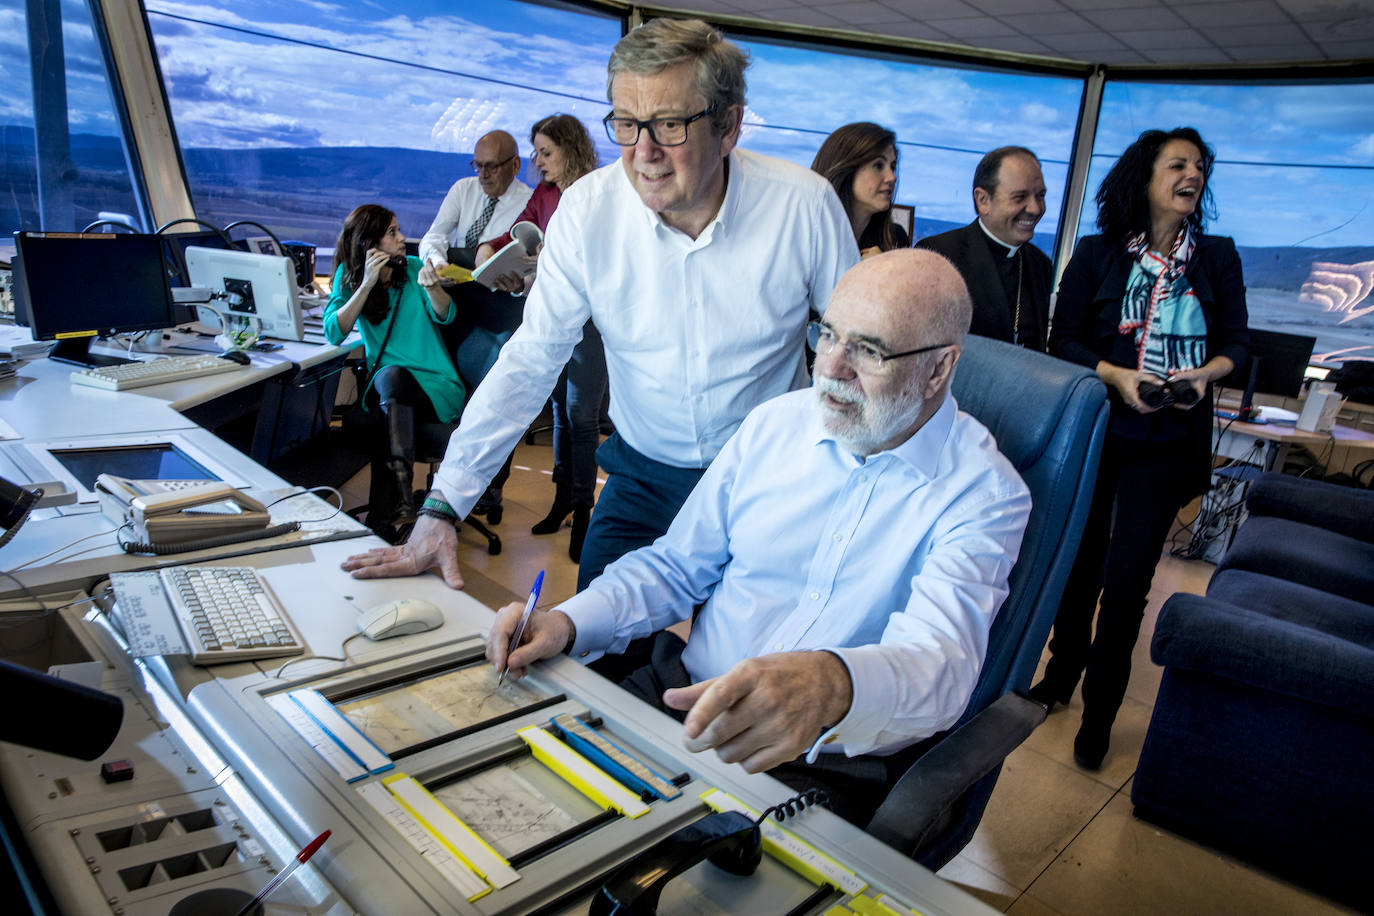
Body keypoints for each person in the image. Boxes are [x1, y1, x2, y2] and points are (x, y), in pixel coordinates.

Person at [487, 249, 1031, 826]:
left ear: (939, 369)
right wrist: (567, 622)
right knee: (521, 804)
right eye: (828, 335)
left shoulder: (983, 494)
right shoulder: (777, 423)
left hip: (813, 761)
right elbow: (675, 567)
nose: (833, 368)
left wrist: (833, 682)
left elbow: (939, 666)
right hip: (683, 697)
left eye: (868, 350)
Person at [341, 18, 857, 616]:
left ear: (728, 127)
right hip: (643, 476)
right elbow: (532, 360)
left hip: (768, 481)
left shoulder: (804, 206)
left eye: (669, 123)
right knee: (592, 654)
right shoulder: (588, 211)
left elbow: (856, 360)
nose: (644, 153)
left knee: (745, 673)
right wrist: (442, 507)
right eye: (627, 124)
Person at [1032, 127, 1249, 770]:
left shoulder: (1218, 257)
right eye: (1178, 164)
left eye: (1201, 167)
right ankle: (1058, 677)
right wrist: (1116, 375)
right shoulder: (1097, 254)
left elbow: (1235, 344)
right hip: (1099, 429)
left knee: (1127, 584)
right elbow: (1063, 340)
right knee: (1079, 565)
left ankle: (1100, 712)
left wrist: (1202, 377)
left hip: (1168, 438)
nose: (1194, 175)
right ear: (1144, 177)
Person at [473, 114, 605, 562]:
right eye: (536, 152)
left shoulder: (599, 193)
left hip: (588, 319)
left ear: (571, 150)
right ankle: (562, 498)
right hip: (550, 316)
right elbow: (516, 233)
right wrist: (492, 251)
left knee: (581, 416)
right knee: (559, 413)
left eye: (545, 152)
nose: (538, 161)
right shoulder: (545, 195)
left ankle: (583, 507)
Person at [325, 205, 463, 531]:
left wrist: (432, 288)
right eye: (392, 233)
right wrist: (366, 285)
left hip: (433, 387)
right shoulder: (349, 279)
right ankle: (387, 517)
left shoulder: (414, 268)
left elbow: (448, 315)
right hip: (390, 395)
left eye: (398, 230)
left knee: (391, 379)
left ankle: (397, 503)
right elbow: (335, 331)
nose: (402, 239)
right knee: (388, 392)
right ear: (368, 245)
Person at [917, 146, 1052, 350]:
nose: (1035, 208)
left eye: (1040, 196)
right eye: (1020, 197)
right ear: (983, 201)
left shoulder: (1040, 264)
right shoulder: (939, 254)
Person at [418, 130, 532, 272]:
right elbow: (434, 236)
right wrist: (437, 262)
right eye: (478, 165)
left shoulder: (530, 205)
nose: (483, 175)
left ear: (515, 165)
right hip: (456, 285)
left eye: (492, 166)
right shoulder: (463, 189)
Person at [810, 122, 909, 258]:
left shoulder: (896, 238)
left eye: (892, 166)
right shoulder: (807, 235)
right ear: (846, 170)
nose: (892, 177)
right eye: (878, 165)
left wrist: (885, 269)